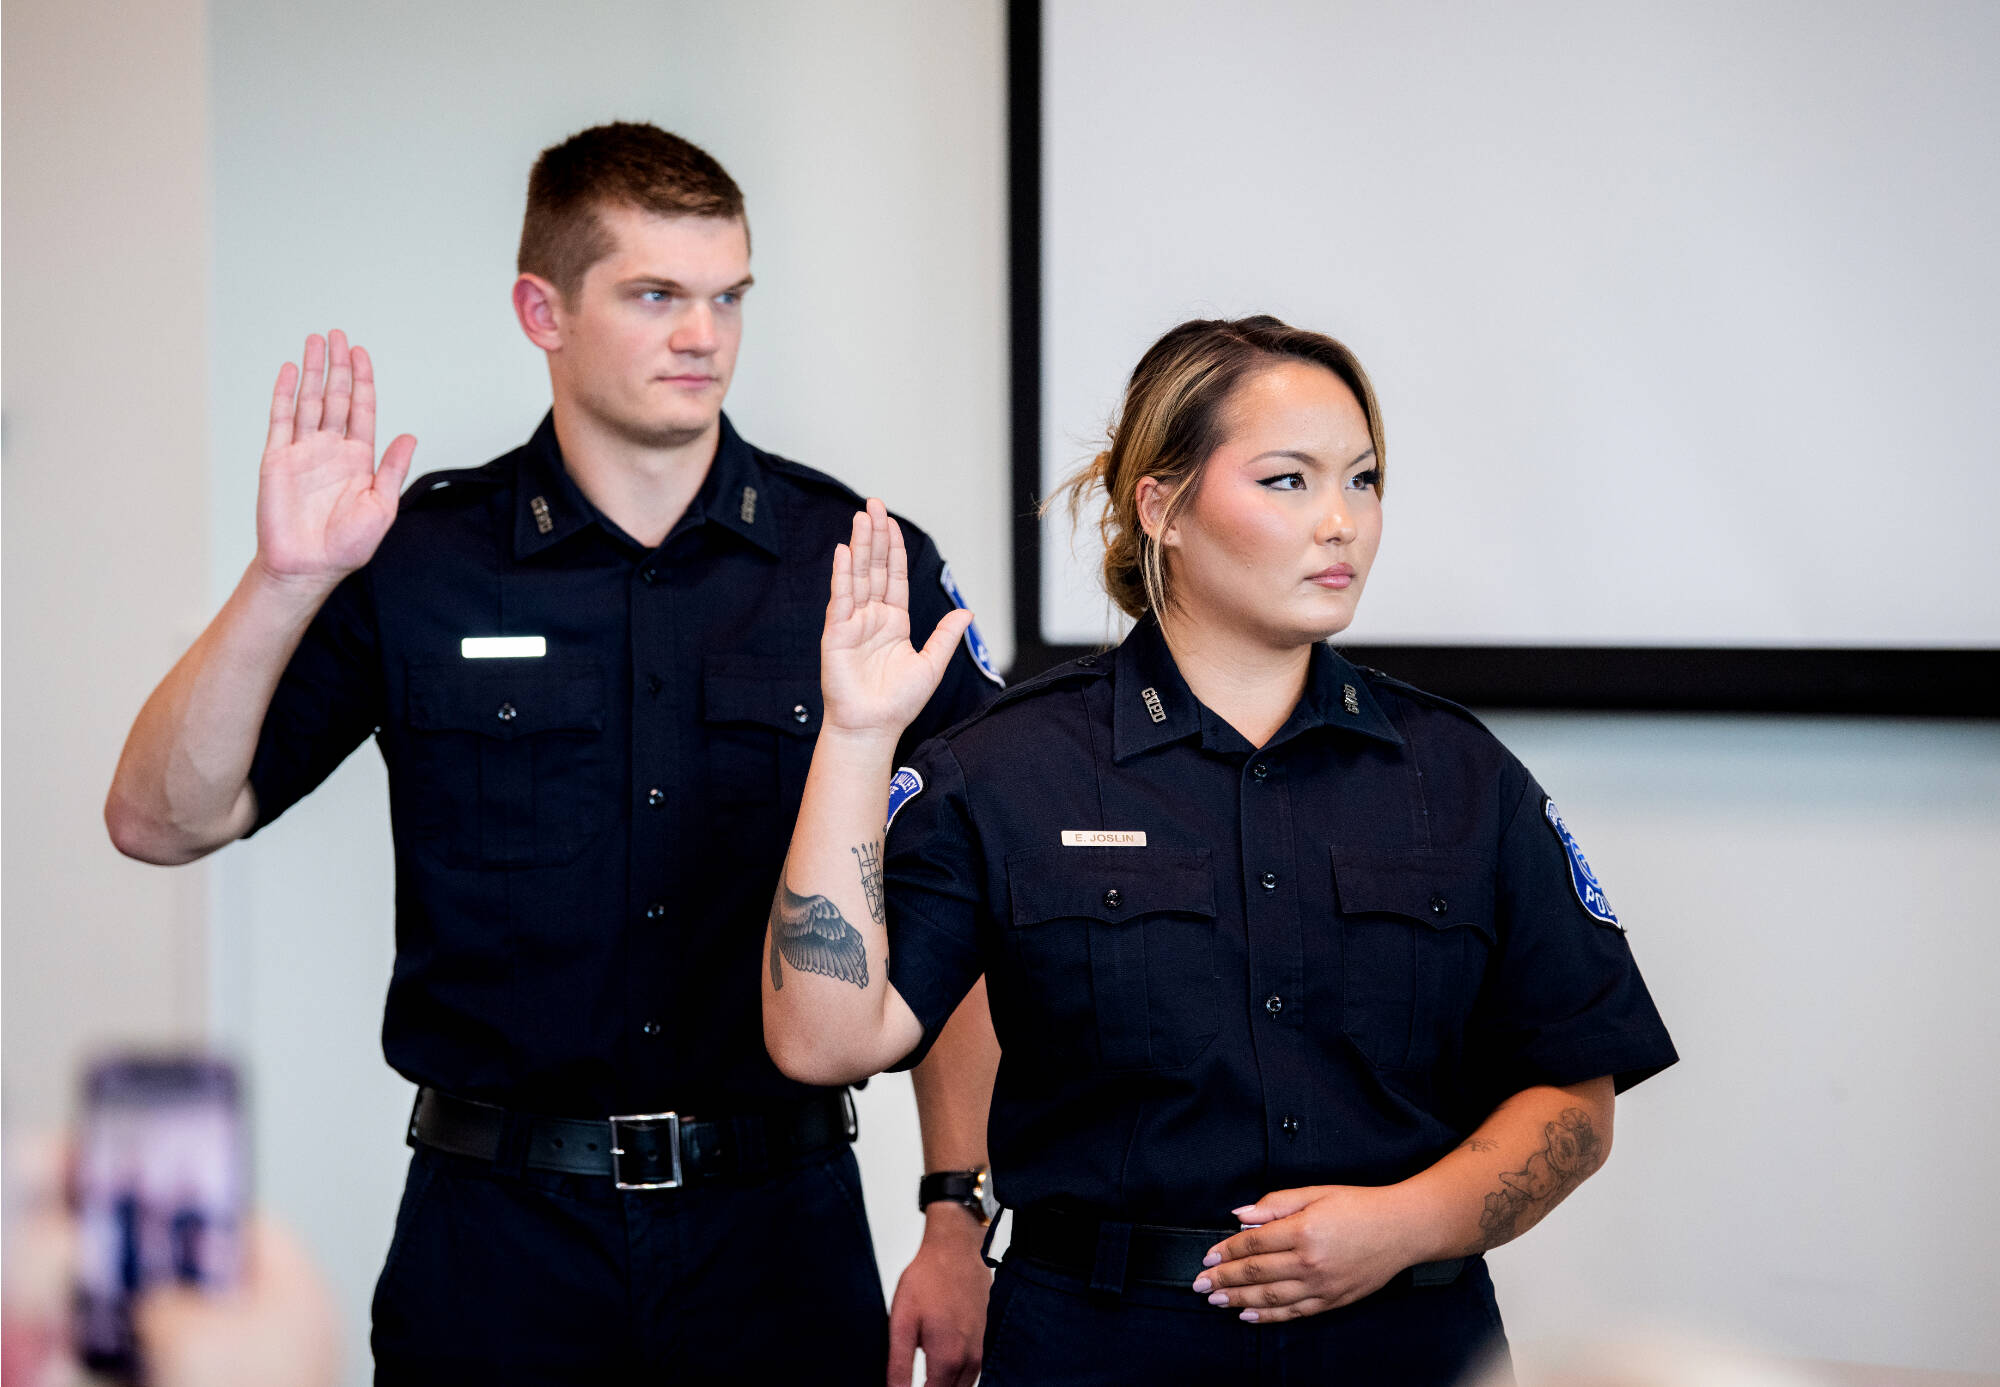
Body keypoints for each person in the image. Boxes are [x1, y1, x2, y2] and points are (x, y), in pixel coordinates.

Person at [105, 122, 1002, 1386]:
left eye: (727, 296)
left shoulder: (855, 563)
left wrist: (955, 1207)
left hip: (776, 1236)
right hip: (496, 1245)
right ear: (543, 309)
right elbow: (159, 818)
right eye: (655, 296)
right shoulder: (418, 561)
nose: (704, 336)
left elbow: (970, 911)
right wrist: (283, 582)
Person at [761, 315, 1679, 1384]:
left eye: (1363, 479)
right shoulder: (1008, 767)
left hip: (1407, 1345)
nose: (1339, 522)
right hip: (1101, 1346)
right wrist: (858, 738)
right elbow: (822, 1043)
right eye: (1287, 481)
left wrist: (1401, 1223)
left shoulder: (1461, 778)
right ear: (1162, 506)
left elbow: (1574, 1100)